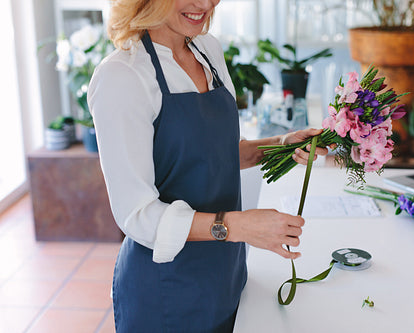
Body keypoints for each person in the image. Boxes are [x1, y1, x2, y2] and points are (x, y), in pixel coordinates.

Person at [88, 0, 332, 331]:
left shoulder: (207, 51)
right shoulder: (123, 75)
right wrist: (240, 227)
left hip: (225, 275)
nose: (205, 4)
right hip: (167, 293)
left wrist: (281, 145)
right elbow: (137, 215)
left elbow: (218, 155)